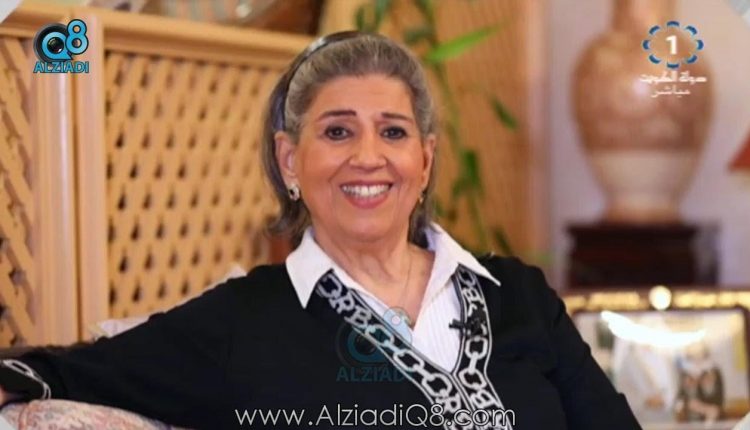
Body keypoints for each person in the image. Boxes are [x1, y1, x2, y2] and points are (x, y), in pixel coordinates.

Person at [0, 31, 641, 429]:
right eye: (337, 131)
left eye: (393, 132)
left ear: (424, 161)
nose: (368, 157)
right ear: (289, 161)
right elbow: (66, 371)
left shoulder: (519, 295)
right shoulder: (241, 323)